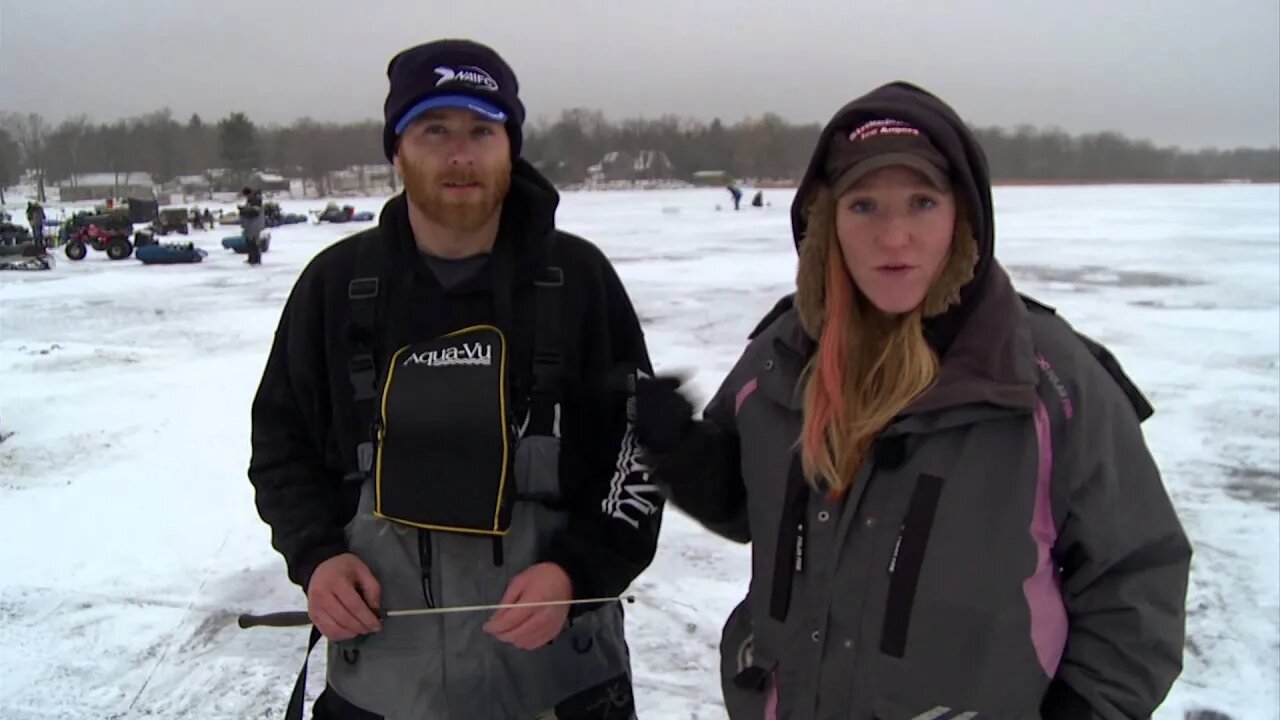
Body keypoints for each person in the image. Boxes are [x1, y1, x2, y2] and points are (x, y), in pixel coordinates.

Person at [634, 82, 1191, 719]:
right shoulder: (782, 356)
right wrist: (682, 451)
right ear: (826, 224)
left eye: (921, 203)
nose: (893, 236)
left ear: (963, 217)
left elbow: (1136, 580)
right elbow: (751, 505)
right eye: (864, 206)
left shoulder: (1046, 378)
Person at [249, 38, 661, 719]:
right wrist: (317, 556)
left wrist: (579, 572)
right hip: (379, 686)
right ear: (397, 150)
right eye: (434, 130)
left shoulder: (579, 281)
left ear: (511, 146)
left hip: (561, 684)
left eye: (481, 130)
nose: (460, 154)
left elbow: (640, 452)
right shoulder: (336, 287)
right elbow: (280, 448)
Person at [239, 187, 264, 264]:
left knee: (253, 242)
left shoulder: (255, 200)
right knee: (250, 242)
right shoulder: (253, 199)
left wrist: (243, 211)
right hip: (252, 224)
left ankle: (255, 259)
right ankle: (252, 258)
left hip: (254, 225)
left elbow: (254, 212)